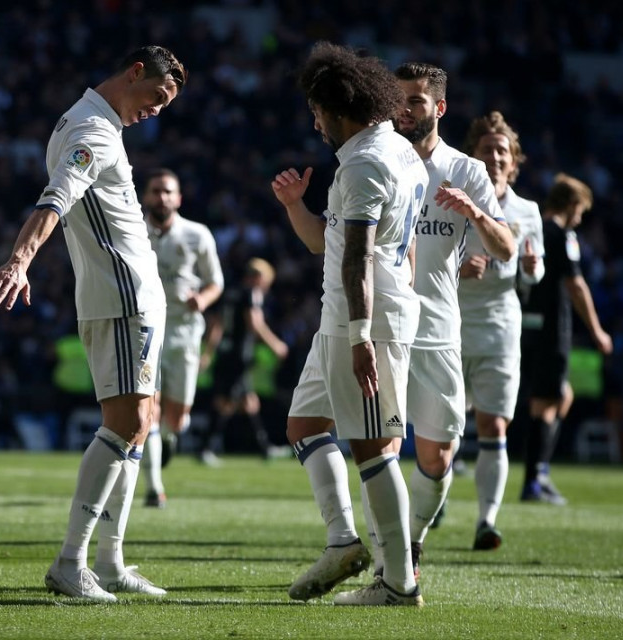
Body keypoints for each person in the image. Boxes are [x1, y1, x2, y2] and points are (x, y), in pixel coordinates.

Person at [0, 45, 187, 602]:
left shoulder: (91, 123)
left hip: (135, 298)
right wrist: (21, 258)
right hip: (121, 298)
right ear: (135, 72)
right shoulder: (92, 131)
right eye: (157, 96)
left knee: (141, 422)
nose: (157, 109)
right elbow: (56, 199)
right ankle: (71, 562)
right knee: (123, 424)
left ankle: (111, 560)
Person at [272, 42, 429, 606]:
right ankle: (343, 542)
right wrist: (296, 207)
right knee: (303, 425)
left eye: (317, 113)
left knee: (374, 447)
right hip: (344, 315)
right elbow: (334, 242)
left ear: (340, 109)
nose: (315, 124)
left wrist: (364, 336)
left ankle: (397, 582)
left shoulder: (365, 163)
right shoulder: (397, 152)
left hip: (364, 320)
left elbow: (358, 256)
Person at [369, 63, 515, 580]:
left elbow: (506, 248)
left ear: (440, 108)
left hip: (437, 331)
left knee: (439, 454)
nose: (405, 111)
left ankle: (411, 539)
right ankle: (392, 557)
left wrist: (475, 212)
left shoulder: (466, 170)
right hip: (386, 327)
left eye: (415, 101)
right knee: (381, 448)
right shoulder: (379, 159)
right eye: (399, 101)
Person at [459, 111, 545, 549]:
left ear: (514, 161)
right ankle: (426, 508)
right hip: (449, 322)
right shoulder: (449, 199)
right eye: (486, 149)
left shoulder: (527, 211)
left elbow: (534, 271)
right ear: (472, 156)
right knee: (444, 427)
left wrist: (531, 270)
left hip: (499, 325)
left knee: (494, 426)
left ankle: (486, 522)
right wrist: (457, 267)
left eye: (502, 150)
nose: (494, 156)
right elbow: (424, 256)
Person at [520, 173, 612, 503]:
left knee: (560, 396)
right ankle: (534, 480)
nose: (580, 218)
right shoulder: (561, 235)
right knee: (547, 401)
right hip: (550, 329)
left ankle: (538, 471)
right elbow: (576, 284)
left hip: (525, 325)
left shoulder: (532, 227)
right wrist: (597, 330)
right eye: (581, 211)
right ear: (573, 205)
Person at [141, 168, 224, 508]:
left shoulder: (197, 234)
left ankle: (171, 439)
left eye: (168, 191)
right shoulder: (133, 230)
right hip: (145, 327)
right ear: (146, 196)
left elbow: (215, 281)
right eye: (156, 191)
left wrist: (201, 300)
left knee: (177, 418)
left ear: (179, 198)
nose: (162, 197)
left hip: (185, 330)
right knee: (150, 409)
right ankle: (154, 487)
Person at [196, 258, 288, 466]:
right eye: (265, 281)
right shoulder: (250, 293)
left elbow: (216, 325)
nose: (265, 286)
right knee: (225, 403)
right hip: (239, 355)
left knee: (248, 402)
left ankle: (265, 448)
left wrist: (210, 352)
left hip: (226, 353)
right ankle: (205, 448)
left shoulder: (230, 293)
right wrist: (276, 345)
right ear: (257, 277)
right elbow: (254, 322)